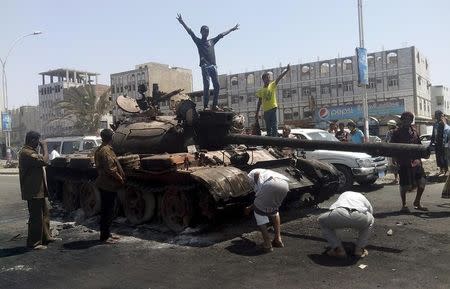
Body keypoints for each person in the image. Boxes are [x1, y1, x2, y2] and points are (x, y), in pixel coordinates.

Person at [177, 13, 239, 111]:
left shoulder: (212, 41)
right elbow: (190, 32)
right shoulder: (198, 41)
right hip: (205, 66)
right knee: (206, 85)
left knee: (217, 86)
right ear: (201, 32)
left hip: (213, 66)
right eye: (205, 31)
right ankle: (206, 106)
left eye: (208, 31)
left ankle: (214, 105)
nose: (206, 33)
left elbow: (221, 35)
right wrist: (182, 22)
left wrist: (231, 29)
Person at [19, 131, 59, 250]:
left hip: (39, 190)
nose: (39, 143)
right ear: (32, 140)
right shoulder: (26, 153)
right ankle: (34, 243)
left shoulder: (31, 151)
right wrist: (45, 147)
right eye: (37, 140)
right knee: (36, 217)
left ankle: (46, 237)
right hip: (33, 191)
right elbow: (45, 161)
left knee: (45, 214)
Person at [244, 169, 290, 253]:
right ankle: (278, 239)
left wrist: (249, 208)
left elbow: (258, 198)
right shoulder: (264, 171)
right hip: (284, 185)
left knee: (259, 213)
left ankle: (267, 244)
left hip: (270, 185)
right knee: (274, 211)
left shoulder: (250, 174)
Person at [318, 191, 374, 258]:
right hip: (359, 214)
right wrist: (360, 225)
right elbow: (370, 212)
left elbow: (333, 208)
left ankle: (338, 249)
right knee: (371, 220)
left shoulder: (343, 194)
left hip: (339, 213)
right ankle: (359, 250)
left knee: (321, 220)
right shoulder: (361, 196)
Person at [390, 111, 427, 212]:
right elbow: (392, 148)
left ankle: (417, 202)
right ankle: (404, 205)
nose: (408, 121)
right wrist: (394, 160)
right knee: (405, 185)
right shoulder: (396, 133)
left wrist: (420, 160)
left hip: (416, 162)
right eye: (405, 119)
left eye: (410, 119)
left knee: (422, 183)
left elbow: (419, 146)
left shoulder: (414, 132)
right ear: (402, 120)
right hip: (404, 162)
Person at [94, 129, 125, 243]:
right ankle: (104, 237)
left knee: (109, 210)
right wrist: (120, 178)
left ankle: (107, 233)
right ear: (111, 138)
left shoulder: (102, 149)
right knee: (107, 210)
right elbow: (111, 169)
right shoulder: (106, 151)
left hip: (106, 183)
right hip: (108, 184)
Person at [255, 64, 291, 137]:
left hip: (273, 108)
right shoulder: (261, 91)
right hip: (266, 110)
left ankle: (275, 141)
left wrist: (286, 70)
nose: (268, 79)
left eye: (269, 78)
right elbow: (259, 102)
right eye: (267, 78)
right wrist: (257, 113)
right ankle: (270, 142)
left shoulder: (272, 85)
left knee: (274, 125)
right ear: (263, 80)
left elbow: (279, 78)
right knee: (268, 127)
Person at [430, 110, 448, 175]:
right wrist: (431, 142)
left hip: (443, 143)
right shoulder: (435, 124)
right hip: (437, 143)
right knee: (438, 157)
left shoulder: (443, 123)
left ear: (440, 115)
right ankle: (441, 169)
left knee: (444, 157)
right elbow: (433, 134)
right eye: (436, 114)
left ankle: (446, 170)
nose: (436, 116)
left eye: (437, 114)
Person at [385, 120, 399, 184]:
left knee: (394, 165)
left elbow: (386, 141)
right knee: (398, 164)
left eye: (389, 125)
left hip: (392, 151)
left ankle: (396, 179)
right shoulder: (399, 131)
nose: (388, 126)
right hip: (399, 150)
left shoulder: (389, 132)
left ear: (391, 126)